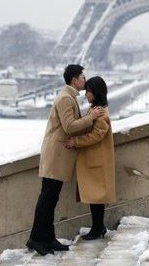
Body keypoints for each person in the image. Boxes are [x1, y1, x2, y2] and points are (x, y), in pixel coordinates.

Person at [26, 64, 101, 256]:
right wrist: (91, 117)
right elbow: (69, 126)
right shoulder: (66, 98)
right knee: (47, 198)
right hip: (56, 155)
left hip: (58, 155)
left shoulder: (68, 97)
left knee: (50, 199)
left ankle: (48, 239)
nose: (85, 80)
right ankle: (36, 239)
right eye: (82, 77)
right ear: (74, 79)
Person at [62, 76, 116, 240]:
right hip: (94, 160)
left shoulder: (100, 113)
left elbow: (96, 136)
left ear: (95, 92)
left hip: (96, 161)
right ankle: (98, 227)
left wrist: (76, 141)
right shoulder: (97, 109)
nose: (86, 94)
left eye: (88, 91)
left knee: (96, 197)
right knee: (95, 197)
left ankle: (98, 228)